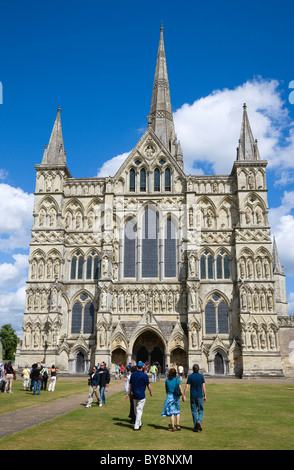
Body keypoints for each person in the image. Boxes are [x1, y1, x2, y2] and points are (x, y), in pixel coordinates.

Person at [129, 361, 152, 431]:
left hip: (134, 394)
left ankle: (139, 423)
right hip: (141, 395)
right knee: (138, 410)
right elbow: (148, 385)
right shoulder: (144, 375)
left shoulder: (133, 374)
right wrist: (150, 391)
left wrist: (130, 393)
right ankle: (136, 426)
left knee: (136, 410)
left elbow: (130, 385)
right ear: (142, 367)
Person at [183, 364, 207, 432]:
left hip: (193, 396)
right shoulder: (201, 376)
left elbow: (187, 386)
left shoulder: (190, 376)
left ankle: (196, 427)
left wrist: (184, 395)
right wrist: (205, 395)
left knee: (194, 411)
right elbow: (203, 387)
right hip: (199, 396)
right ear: (198, 369)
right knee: (200, 410)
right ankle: (199, 421)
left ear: (193, 369)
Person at [161, 367, 184, 432]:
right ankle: (178, 425)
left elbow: (166, 390)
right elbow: (181, 389)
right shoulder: (177, 380)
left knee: (171, 413)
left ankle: (173, 427)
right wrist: (183, 396)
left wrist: (168, 395)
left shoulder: (167, 380)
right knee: (177, 411)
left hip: (169, 396)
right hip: (176, 397)